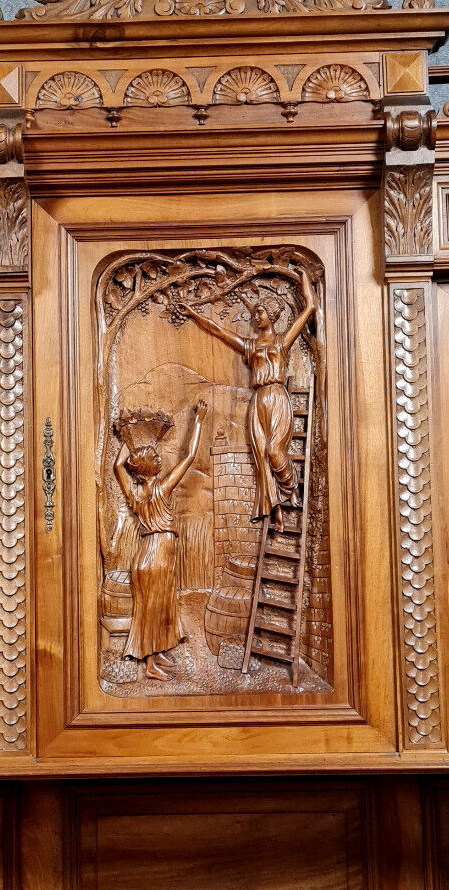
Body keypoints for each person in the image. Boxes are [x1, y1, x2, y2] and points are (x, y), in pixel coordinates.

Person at [174, 272, 317, 522]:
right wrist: (195, 315)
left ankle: (292, 487)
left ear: (271, 315)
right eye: (255, 313)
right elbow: (219, 332)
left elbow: (310, 307)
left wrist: (302, 275)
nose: (256, 316)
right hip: (259, 400)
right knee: (262, 455)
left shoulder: (283, 342)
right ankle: (275, 508)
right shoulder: (250, 346)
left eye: (260, 312)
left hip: (277, 397)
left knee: (274, 451)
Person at [113, 401, 207, 681]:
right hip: (158, 553)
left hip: (149, 552)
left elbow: (119, 464)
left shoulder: (135, 493)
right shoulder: (162, 490)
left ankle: (159, 653)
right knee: (155, 606)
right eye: (153, 457)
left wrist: (128, 439)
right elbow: (189, 457)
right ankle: (151, 663)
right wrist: (198, 420)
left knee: (159, 605)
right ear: (146, 469)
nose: (158, 458)